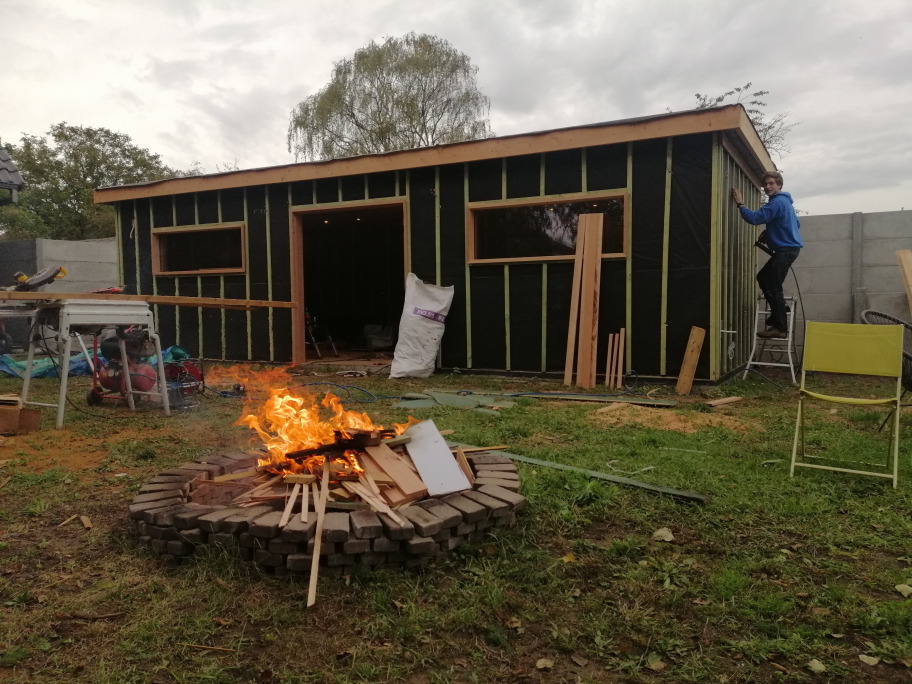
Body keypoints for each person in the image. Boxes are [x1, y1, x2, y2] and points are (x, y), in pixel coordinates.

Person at [731, 172, 802, 338]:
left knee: (772, 285)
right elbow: (796, 224)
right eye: (765, 184)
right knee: (763, 277)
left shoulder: (776, 203)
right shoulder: (785, 202)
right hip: (788, 250)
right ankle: (780, 309)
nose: (767, 187)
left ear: (779, 185)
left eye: (771, 183)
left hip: (785, 251)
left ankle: (780, 328)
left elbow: (755, 218)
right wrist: (771, 233)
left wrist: (740, 204)